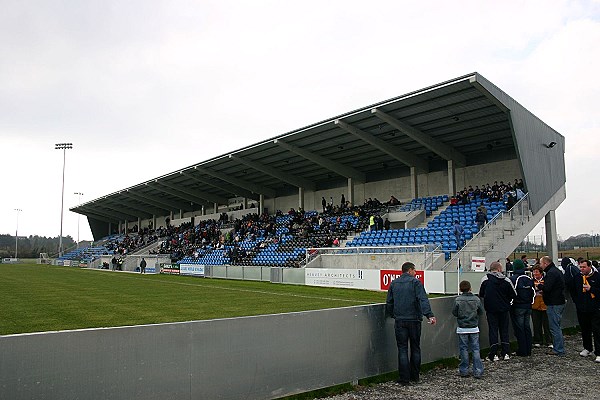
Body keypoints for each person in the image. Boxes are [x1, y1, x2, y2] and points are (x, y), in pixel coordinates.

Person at [386, 262, 437, 386]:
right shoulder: (415, 283)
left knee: (402, 349)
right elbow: (422, 299)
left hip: (400, 320)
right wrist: (429, 315)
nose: (416, 273)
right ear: (410, 270)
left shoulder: (394, 283)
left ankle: (404, 378)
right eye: (414, 270)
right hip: (414, 320)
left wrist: (392, 314)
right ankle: (415, 376)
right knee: (415, 347)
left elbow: (389, 302)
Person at [479, 261, 516, 361]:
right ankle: (506, 353)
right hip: (504, 309)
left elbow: (481, 294)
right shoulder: (506, 280)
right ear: (499, 269)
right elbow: (514, 294)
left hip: (491, 309)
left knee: (493, 330)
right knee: (504, 330)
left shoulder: (485, 279)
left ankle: (493, 354)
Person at [569, 260, 600, 361]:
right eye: (580, 267)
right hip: (582, 308)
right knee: (585, 329)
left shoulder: (597, 276)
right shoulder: (577, 277)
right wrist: (577, 301)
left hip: (595, 308)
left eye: (584, 267)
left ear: (589, 267)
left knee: (597, 330)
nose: (582, 269)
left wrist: (591, 289)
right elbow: (572, 290)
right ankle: (587, 348)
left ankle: (598, 352)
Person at [452, 280, 484, 379]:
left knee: (464, 348)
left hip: (462, 327)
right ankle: (478, 371)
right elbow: (481, 312)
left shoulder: (458, 300)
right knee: (475, 349)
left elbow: (454, 312)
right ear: (470, 288)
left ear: (460, 289)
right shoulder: (476, 299)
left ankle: (464, 370)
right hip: (474, 327)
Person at [537, 255, 566, 356]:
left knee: (554, 327)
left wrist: (539, 286)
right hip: (558, 301)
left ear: (545, 263)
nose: (540, 266)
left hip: (554, 303)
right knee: (557, 326)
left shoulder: (551, 273)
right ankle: (559, 347)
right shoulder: (556, 271)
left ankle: (558, 349)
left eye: (541, 264)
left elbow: (548, 288)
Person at [510, 259, 535, 356]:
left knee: (519, 329)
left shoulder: (513, 279)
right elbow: (533, 292)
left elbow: (511, 293)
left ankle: (522, 350)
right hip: (528, 306)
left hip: (517, 306)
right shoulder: (528, 278)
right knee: (527, 327)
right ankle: (528, 349)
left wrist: (511, 303)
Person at [531, 266, 552, 348]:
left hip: (545, 305)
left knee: (547, 325)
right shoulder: (531, 281)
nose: (535, 274)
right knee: (536, 324)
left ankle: (549, 341)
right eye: (534, 272)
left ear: (541, 273)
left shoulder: (546, 280)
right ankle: (537, 340)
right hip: (535, 305)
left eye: (537, 272)